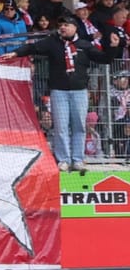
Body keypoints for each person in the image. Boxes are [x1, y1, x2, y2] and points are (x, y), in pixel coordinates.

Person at [18, 17, 111, 173]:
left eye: (66, 25)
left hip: (80, 92)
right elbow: (32, 48)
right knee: (61, 127)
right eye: (60, 25)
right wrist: (15, 53)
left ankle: (78, 159)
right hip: (59, 91)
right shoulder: (52, 43)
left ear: (75, 27)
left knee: (79, 126)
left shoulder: (84, 45)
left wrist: (113, 47)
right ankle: (63, 160)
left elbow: (104, 59)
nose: (62, 27)